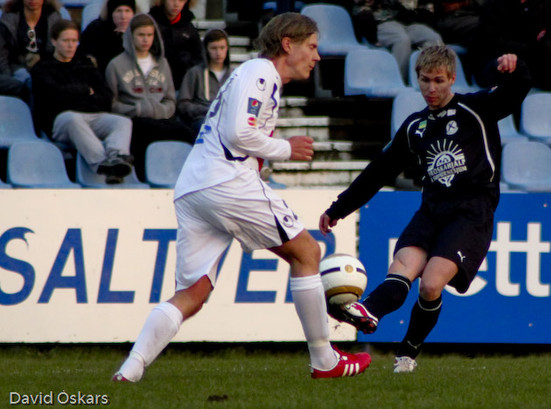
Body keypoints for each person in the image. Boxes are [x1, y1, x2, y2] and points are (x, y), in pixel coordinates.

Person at [112, 12, 371, 383]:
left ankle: (130, 370)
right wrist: (286, 148)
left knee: (193, 293)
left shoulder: (253, 75)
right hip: (226, 181)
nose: (317, 56)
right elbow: (238, 133)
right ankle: (324, 359)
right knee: (307, 252)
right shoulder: (260, 73)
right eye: (312, 46)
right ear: (287, 44)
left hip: (195, 188)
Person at [319, 45, 531, 373]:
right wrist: (339, 208)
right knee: (402, 268)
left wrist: (515, 67)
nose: (431, 88)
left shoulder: (478, 108)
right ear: (416, 78)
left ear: (452, 78)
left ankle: (408, 350)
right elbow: (379, 171)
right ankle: (368, 310)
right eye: (425, 80)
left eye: (439, 80)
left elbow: (518, 89)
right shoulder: (414, 126)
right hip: (431, 211)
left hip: (471, 212)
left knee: (431, 284)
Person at [31, 19, 134, 183]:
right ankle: (103, 164)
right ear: (54, 41)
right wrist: (86, 91)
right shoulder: (43, 69)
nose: (71, 45)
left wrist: (74, 95)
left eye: (74, 41)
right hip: (61, 122)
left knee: (122, 122)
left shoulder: (86, 66)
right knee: (73, 118)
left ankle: (117, 158)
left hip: (92, 117)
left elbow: (106, 97)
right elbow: (53, 98)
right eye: (66, 41)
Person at [105, 13, 196, 180]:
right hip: (134, 120)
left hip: (161, 119)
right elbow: (111, 104)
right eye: (141, 35)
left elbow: (170, 100)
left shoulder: (162, 63)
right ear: (131, 36)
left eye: (149, 35)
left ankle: (189, 180)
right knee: (144, 134)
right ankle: (143, 179)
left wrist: (160, 110)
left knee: (189, 134)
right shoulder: (115, 65)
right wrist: (138, 109)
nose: (146, 39)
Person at [471, 0, 551, 91]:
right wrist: (534, 48)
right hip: (500, 59)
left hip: (533, 59)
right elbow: (491, 43)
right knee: (506, 64)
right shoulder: (494, 5)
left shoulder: (545, 4)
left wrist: (546, 44)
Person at [352, 0, 443, 82]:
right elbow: (360, 11)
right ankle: (399, 81)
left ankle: (429, 79)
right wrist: (371, 36)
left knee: (433, 38)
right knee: (402, 39)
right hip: (380, 23)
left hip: (405, 23)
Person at [0, 0, 63, 103]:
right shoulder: (9, 19)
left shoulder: (53, 18)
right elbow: (2, 54)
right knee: (30, 81)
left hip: (47, 66)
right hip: (17, 67)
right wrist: (8, 78)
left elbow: (59, 50)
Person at [177, 28, 233, 132]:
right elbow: (183, 104)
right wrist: (206, 110)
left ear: (227, 49)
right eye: (213, 48)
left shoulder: (235, 75)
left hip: (228, 120)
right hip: (202, 120)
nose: (218, 53)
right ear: (206, 49)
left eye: (222, 48)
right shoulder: (194, 73)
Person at [148, 0, 204, 90]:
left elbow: (198, 57)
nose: (176, 4)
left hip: (183, 85)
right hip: (154, 84)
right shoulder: (150, 24)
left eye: (181, 0)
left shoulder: (189, 28)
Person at [78, 0, 137, 76]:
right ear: (111, 12)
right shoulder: (95, 30)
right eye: (118, 11)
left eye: (127, 11)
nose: (123, 16)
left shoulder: (139, 31)